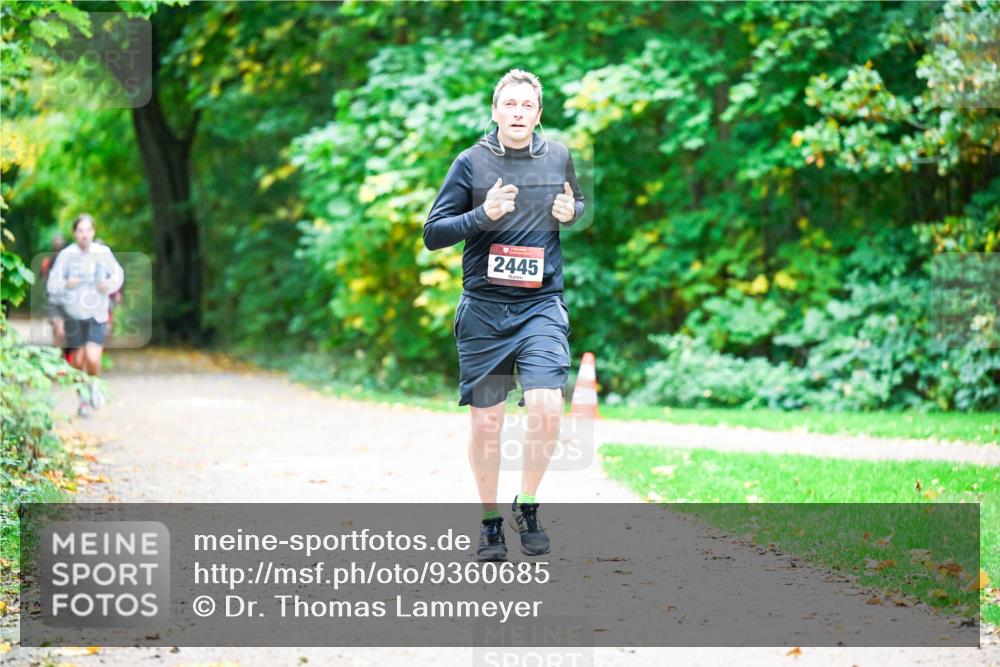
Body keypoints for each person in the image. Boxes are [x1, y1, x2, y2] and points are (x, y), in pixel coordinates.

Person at [424, 69, 585, 561]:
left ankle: (527, 503)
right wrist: (482, 215)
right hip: (485, 311)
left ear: (539, 114)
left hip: (540, 306)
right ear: (495, 111)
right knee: (487, 425)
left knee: (548, 406)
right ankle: (490, 520)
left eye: (526, 105)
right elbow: (433, 233)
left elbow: (575, 202)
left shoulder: (557, 156)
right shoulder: (471, 162)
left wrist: (572, 212)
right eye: (509, 104)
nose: (518, 113)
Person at [46, 214, 124, 417]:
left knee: (93, 356)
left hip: (97, 313)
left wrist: (108, 285)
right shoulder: (66, 255)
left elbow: (118, 275)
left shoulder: (103, 253)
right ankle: (82, 399)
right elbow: (52, 284)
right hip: (73, 314)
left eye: (88, 230)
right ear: (74, 233)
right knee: (78, 361)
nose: (84, 235)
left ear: (93, 232)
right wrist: (66, 283)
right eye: (80, 231)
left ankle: (94, 385)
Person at [38, 233, 68, 350]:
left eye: (59, 242)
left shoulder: (70, 259)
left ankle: (62, 355)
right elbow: (42, 275)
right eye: (56, 242)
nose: (58, 244)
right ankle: (57, 355)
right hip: (53, 299)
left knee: (64, 332)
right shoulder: (48, 260)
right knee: (58, 330)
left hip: (69, 301)